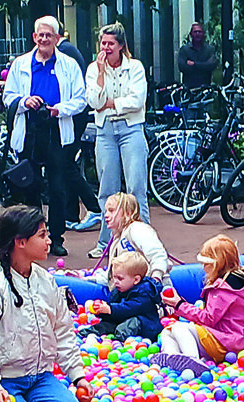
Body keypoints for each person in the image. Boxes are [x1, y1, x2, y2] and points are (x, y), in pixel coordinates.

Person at [0, 205, 93, 402]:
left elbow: (63, 330)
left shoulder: (45, 281)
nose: (48, 241)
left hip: (40, 377)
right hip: (6, 379)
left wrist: (77, 376)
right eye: (42, 235)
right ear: (20, 242)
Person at [2, 16, 87, 258]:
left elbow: (81, 99)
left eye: (49, 35)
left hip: (57, 129)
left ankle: (56, 238)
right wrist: (23, 101)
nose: (44, 39)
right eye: (40, 34)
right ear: (34, 37)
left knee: (58, 187)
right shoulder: (20, 64)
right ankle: (31, 235)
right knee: (30, 186)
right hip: (30, 129)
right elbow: (8, 96)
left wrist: (59, 109)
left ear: (57, 39)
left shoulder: (69, 64)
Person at [85, 23, 149, 258]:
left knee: (136, 187)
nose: (106, 47)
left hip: (131, 127)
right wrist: (101, 74)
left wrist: (111, 103)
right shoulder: (93, 69)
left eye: (111, 43)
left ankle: (142, 241)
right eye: (103, 43)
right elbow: (93, 101)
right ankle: (106, 243)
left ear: (121, 46)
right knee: (107, 189)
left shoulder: (135, 67)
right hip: (105, 131)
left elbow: (137, 100)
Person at [155, 234, 244, 375]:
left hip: (224, 341)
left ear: (218, 264)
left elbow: (209, 319)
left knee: (179, 328)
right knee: (168, 332)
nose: (203, 268)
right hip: (232, 339)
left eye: (206, 264)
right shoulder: (241, 281)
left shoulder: (222, 289)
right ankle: (171, 357)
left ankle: (192, 359)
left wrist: (179, 305)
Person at [56, 28, 102, 233]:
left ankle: (93, 207)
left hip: (72, 118)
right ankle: (70, 214)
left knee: (66, 164)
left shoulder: (65, 53)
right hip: (71, 117)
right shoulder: (69, 49)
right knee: (66, 164)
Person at [89, 191, 169, 285]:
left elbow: (158, 254)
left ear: (128, 212)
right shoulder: (116, 239)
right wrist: (87, 279)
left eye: (111, 210)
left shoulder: (137, 229)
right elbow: (114, 276)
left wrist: (156, 278)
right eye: (106, 211)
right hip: (132, 291)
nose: (106, 215)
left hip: (150, 289)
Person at [81, 250, 162, 342]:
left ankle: (117, 342)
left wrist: (110, 309)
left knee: (130, 324)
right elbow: (114, 308)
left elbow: (130, 308)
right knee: (104, 326)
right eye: (114, 277)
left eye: (120, 278)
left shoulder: (144, 293)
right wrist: (102, 311)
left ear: (136, 280)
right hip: (120, 320)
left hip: (145, 327)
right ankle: (82, 335)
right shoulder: (119, 290)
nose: (115, 281)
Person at [177, 23, 217, 89]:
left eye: (199, 32)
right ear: (191, 34)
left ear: (203, 34)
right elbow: (182, 67)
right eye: (195, 32)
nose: (197, 34)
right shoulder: (184, 50)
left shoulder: (209, 49)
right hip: (189, 89)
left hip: (206, 88)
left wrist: (194, 64)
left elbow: (211, 66)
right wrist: (204, 66)